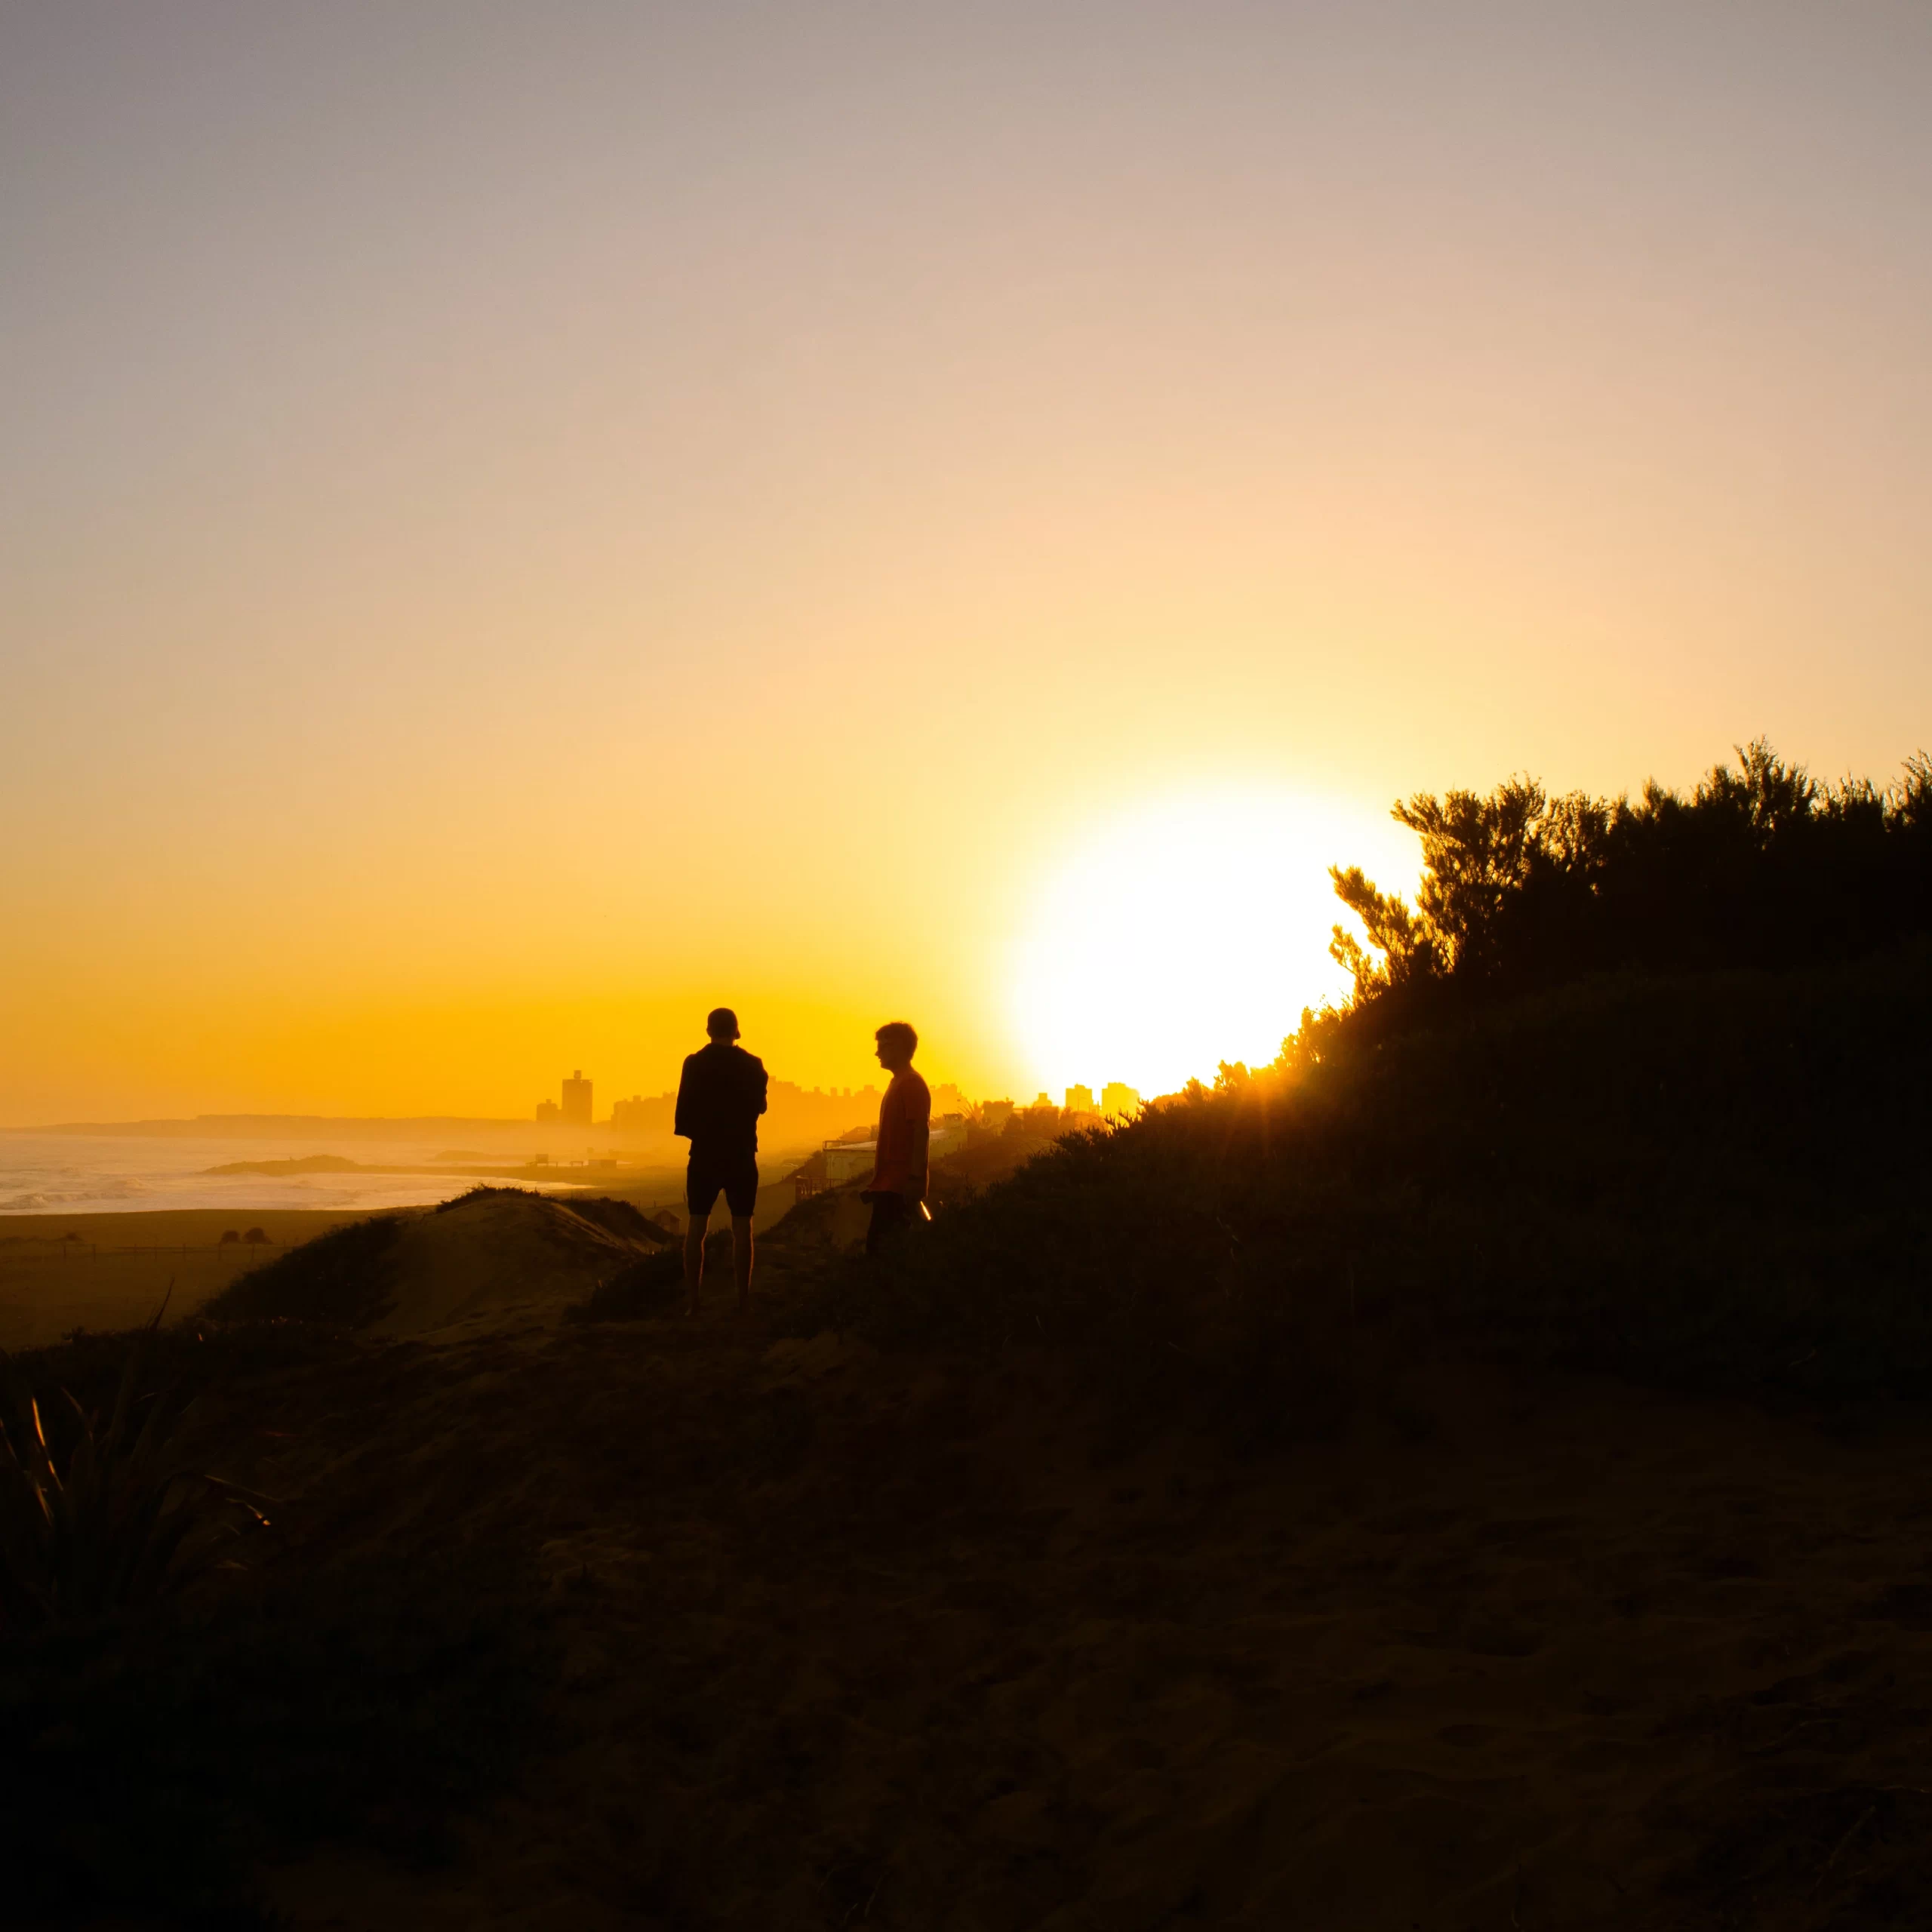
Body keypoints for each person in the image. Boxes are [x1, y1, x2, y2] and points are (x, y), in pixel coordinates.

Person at [673, 1007, 768, 1315]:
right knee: (743, 1229)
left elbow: (683, 1115)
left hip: (704, 1154)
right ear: (736, 1031)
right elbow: (761, 1108)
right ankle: (742, 1301)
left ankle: (693, 1304)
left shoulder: (695, 1063)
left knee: (696, 1227)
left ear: (708, 1030)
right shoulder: (754, 1066)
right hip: (741, 1154)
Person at [863, 1020, 930, 1255]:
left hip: (899, 1186)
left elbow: (920, 1132)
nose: (878, 1052)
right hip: (889, 1184)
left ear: (900, 1048)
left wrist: (914, 1179)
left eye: (884, 1046)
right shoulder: (898, 1083)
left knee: (882, 1251)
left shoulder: (911, 1084)